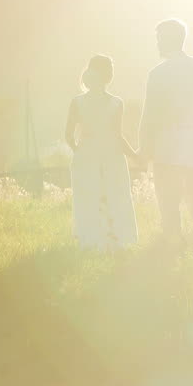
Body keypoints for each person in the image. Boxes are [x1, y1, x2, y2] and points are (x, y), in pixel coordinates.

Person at [138, 19, 193, 240]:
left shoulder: (158, 74)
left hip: (166, 141)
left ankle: (173, 238)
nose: (157, 44)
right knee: (191, 188)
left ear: (167, 40)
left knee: (167, 195)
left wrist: (144, 148)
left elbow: (149, 116)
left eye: (159, 39)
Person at [65, 55, 139, 250]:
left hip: (86, 154)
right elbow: (118, 137)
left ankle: (89, 240)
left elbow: (68, 135)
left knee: (87, 197)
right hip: (111, 155)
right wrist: (135, 155)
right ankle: (117, 239)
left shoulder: (77, 102)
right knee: (116, 195)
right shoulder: (116, 103)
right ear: (108, 76)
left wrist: (79, 151)